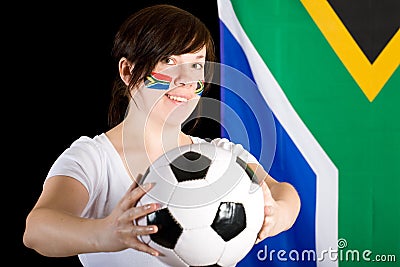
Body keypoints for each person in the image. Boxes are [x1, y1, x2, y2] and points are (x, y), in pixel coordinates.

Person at [23, 4, 301, 267]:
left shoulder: (221, 157)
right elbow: (37, 229)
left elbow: (284, 193)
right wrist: (106, 233)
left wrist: (279, 214)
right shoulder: (94, 159)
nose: (184, 80)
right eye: (168, 60)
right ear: (128, 71)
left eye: (196, 64)